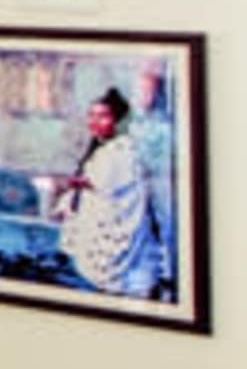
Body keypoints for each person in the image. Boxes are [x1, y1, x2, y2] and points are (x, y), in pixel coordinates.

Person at [40, 83, 168, 299]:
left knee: (132, 287)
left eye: (102, 116)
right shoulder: (102, 149)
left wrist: (59, 184)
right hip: (102, 225)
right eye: (91, 115)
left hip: (125, 231)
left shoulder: (123, 149)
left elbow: (100, 183)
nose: (94, 122)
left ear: (118, 120)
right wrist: (67, 203)